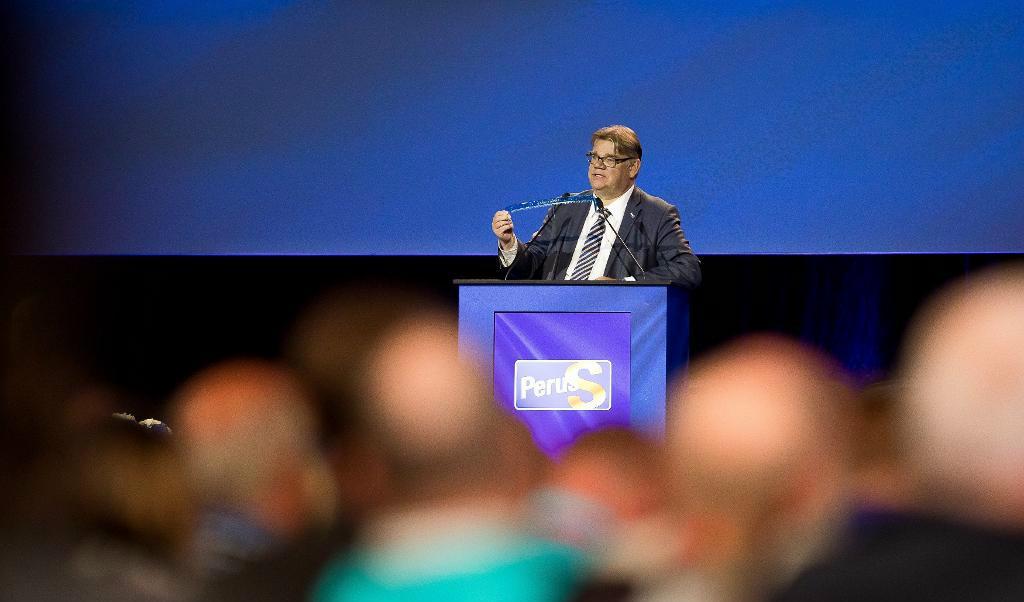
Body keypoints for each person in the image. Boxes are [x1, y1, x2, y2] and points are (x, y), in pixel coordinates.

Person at [491, 125, 701, 288]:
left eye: (609, 159)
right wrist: (510, 244)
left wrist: (624, 285)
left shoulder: (656, 213)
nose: (598, 165)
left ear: (633, 167)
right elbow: (530, 265)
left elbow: (687, 269)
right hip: (555, 316)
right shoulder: (566, 207)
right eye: (594, 157)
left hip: (613, 319)